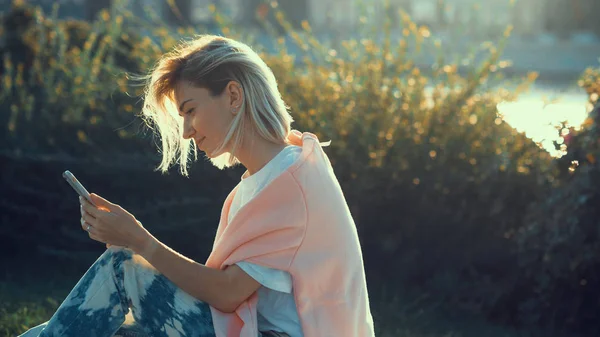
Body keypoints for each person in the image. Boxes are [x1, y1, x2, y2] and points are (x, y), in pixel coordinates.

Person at [18, 34, 375, 337]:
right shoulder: (268, 179)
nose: (187, 131)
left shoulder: (291, 182)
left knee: (122, 266)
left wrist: (138, 241)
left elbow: (227, 294)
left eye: (190, 110)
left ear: (233, 96)